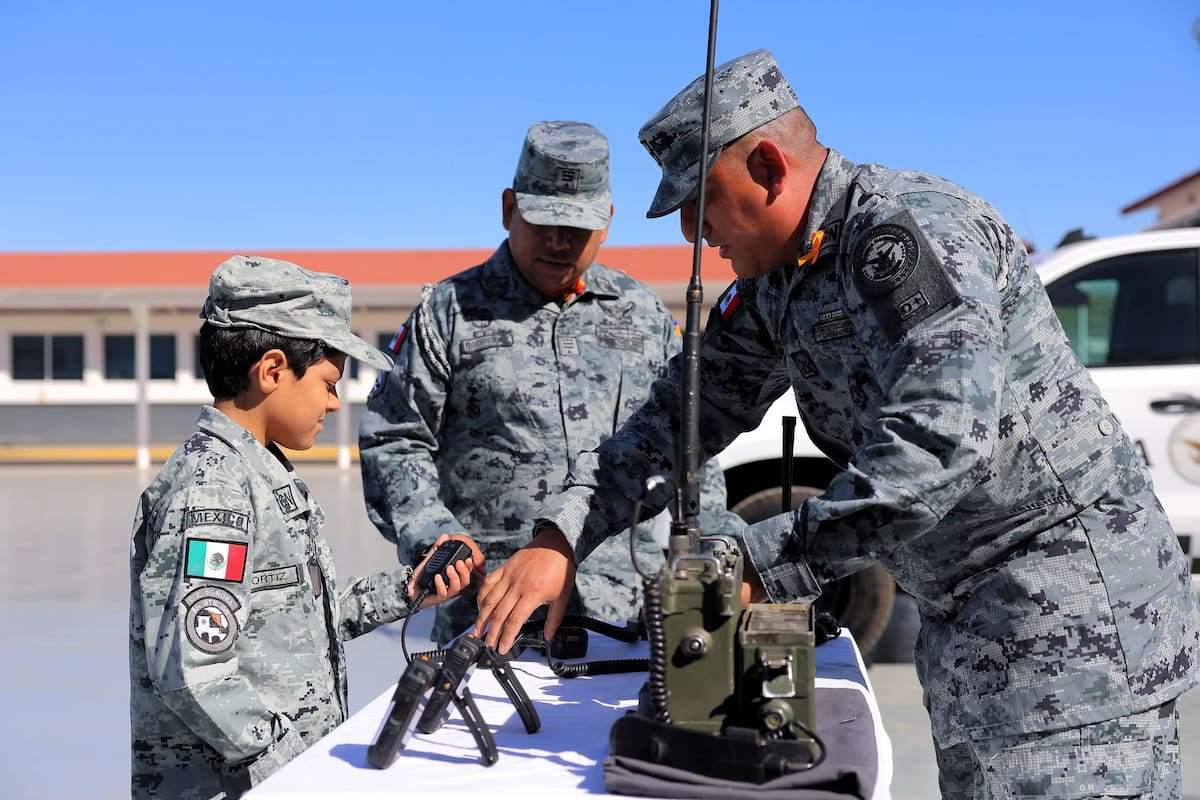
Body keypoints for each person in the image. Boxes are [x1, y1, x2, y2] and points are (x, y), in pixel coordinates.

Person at [474, 51, 1200, 797]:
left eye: (700, 199)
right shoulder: (776, 281)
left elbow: (938, 443)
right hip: (973, 635)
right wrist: (560, 536)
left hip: (1071, 634)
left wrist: (759, 563)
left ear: (767, 166)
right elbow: (676, 417)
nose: (691, 228)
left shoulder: (907, 237)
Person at [359, 120, 743, 646]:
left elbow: (691, 443)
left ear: (607, 221)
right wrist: (435, 538)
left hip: (625, 612)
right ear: (508, 209)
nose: (559, 242)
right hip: (491, 612)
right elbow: (394, 438)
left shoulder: (644, 316)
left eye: (578, 227)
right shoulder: (449, 312)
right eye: (543, 223)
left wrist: (713, 550)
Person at [128, 255, 484, 799]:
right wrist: (301, 770)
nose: (335, 403)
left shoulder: (261, 472)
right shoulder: (214, 490)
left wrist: (406, 590)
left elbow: (291, 625)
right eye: (328, 382)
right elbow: (195, 672)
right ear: (272, 371)